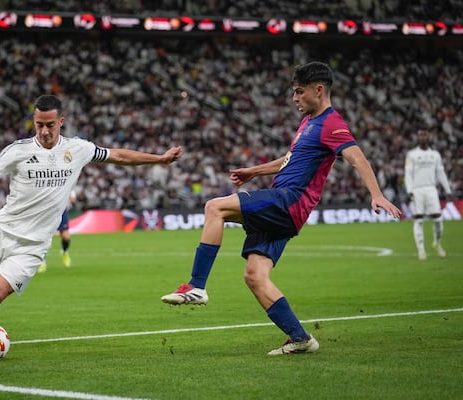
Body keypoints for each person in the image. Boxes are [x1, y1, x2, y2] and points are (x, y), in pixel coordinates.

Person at [161, 61, 402, 355]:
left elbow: (357, 158)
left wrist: (375, 194)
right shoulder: (308, 122)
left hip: (290, 201)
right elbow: (288, 160)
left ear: (319, 90)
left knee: (214, 208)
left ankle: (197, 286)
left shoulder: (332, 123)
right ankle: (301, 339)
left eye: (299, 92)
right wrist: (254, 171)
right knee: (254, 276)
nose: (294, 98)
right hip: (284, 204)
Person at [0, 94, 182, 359]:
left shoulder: (78, 149)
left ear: (61, 122)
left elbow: (117, 155)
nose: (45, 131)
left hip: (33, 247)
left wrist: (159, 159)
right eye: (39, 125)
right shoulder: (18, 150)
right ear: (34, 122)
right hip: (2, 232)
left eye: (50, 125)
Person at [404, 129, 453, 260]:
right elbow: (408, 174)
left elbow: (440, 173)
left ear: (429, 136)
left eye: (425, 134)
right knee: (419, 220)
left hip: (431, 189)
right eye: (420, 135)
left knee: (438, 219)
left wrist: (448, 190)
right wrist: (409, 190)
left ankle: (437, 244)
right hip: (417, 190)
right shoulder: (412, 154)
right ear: (417, 137)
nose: (423, 137)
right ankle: (421, 250)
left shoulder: (435, 155)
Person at [38, 192, 75, 273]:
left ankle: (65, 252)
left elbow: (70, 187)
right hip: (47, 210)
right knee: (45, 237)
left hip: (61, 210)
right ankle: (42, 262)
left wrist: (72, 195)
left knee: (66, 237)